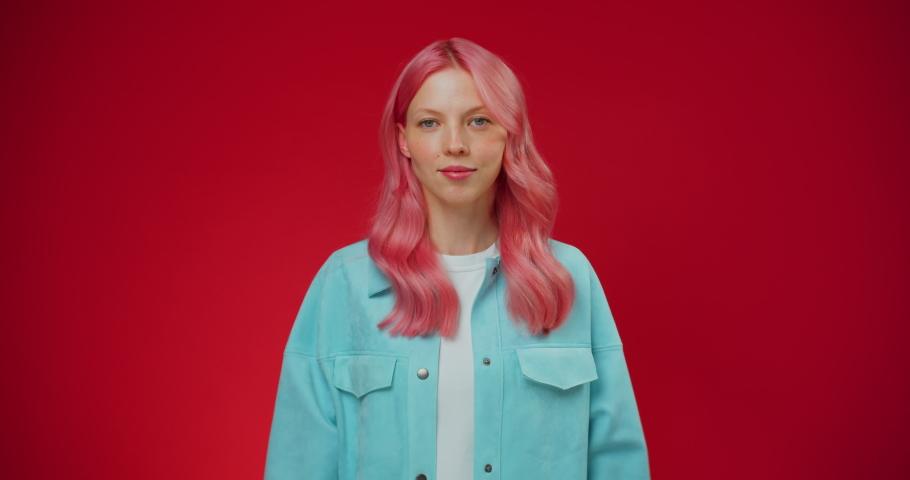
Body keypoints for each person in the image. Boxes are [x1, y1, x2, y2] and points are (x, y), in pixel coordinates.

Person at [264, 38, 650, 480]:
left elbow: (617, 459)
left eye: (479, 121)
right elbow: (298, 463)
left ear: (510, 133)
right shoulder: (344, 284)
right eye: (430, 123)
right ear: (404, 139)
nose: (455, 144)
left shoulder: (568, 277)